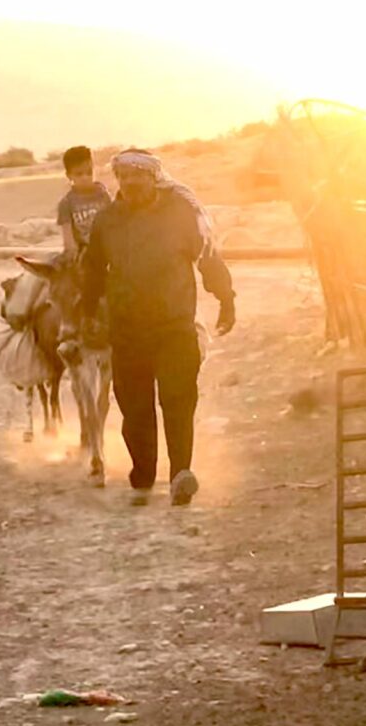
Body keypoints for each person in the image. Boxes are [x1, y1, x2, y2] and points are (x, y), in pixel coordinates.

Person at [83, 148, 236, 507]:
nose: (132, 182)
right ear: (118, 180)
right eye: (125, 176)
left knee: (178, 400)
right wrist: (89, 310)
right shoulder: (107, 220)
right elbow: (93, 269)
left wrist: (226, 297)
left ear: (154, 178)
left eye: (139, 175)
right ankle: (144, 474)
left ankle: (181, 472)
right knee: (134, 408)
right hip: (126, 330)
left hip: (174, 327)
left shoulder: (180, 214)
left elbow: (208, 257)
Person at [56, 146, 112, 256]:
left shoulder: (103, 195)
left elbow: (113, 222)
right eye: (79, 174)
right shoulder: (67, 203)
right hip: (84, 252)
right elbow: (68, 237)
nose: (85, 177)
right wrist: (72, 252)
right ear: (69, 176)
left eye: (89, 172)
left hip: (106, 248)